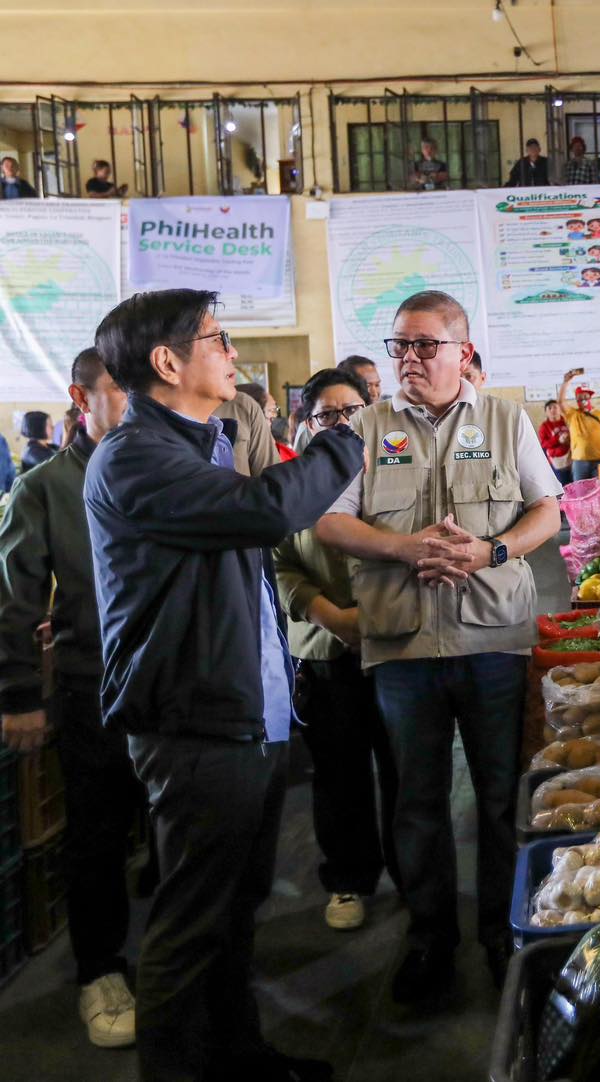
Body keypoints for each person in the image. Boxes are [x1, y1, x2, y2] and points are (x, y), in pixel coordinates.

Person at [85, 288, 364, 1082]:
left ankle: (239, 1059)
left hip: (247, 713)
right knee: (190, 922)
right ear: (167, 362)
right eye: (217, 338)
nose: (233, 353)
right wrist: (344, 441)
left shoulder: (201, 440)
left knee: (235, 914)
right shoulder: (137, 455)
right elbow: (266, 508)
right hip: (195, 721)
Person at [315, 290, 561, 1001]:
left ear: (463, 351)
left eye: (425, 345)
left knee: (496, 797)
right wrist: (402, 547)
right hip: (403, 645)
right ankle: (429, 939)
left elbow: (549, 507)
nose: (410, 359)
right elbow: (330, 523)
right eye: (399, 345)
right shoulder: (363, 425)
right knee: (416, 802)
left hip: (493, 640)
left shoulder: (504, 417)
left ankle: (499, 932)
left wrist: (492, 551)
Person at [0, 347, 140, 1050]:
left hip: (176, 688)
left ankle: (186, 965)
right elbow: (17, 598)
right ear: (79, 396)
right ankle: (101, 968)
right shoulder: (45, 488)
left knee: (184, 836)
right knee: (96, 835)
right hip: (95, 690)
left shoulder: (164, 472)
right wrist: (23, 694)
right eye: (118, 389)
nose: (134, 402)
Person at [274, 367, 397, 934]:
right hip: (325, 651)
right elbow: (279, 565)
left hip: (396, 647)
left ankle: (413, 875)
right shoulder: (292, 486)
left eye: (351, 411)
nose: (342, 423)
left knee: (405, 771)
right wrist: (329, 616)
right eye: (328, 414)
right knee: (339, 774)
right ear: (308, 422)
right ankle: (347, 880)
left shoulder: (396, 477)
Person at [212, 388, 277, 477]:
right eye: (271, 410)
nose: (274, 415)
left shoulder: (244, 405)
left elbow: (272, 479)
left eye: (275, 410)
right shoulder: (240, 406)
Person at [558, 370, 600, 481]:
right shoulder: (573, 414)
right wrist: (565, 382)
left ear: (590, 397)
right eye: (580, 398)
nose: (583, 400)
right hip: (579, 461)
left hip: (599, 460)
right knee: (580, 493)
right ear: (576, 400)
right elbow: (561, 402)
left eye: (585, 397)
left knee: (598, 492)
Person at [538, 398, 572, 485]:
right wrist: (558, 440)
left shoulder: (567, 421)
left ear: (560, 409)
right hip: (557, 461)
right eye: (549, 408)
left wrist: (567, 440)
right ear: (546, 412)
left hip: (573, 458)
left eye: (555, 407)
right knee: (563, 486)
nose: (553, 410)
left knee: (575, 485)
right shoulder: (544, 426)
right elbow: (544, 444)